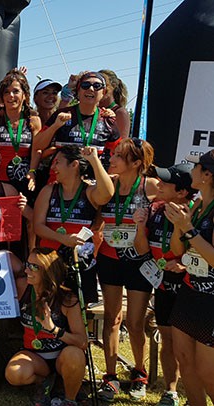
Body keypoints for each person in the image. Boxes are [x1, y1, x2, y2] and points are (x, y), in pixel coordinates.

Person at [96, 138, 157, 402]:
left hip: (138, 261)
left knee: (134, 322)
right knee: (112, 319)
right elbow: (97, 216)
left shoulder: (150, 186)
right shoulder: (107, 184)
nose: (112, 158)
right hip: (109, 258)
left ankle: (139, 374)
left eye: (119, 156)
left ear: (135, 163)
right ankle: (110, 378)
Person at [132, 163, 194, 406]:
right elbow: (142, 249)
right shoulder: (155, 209)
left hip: (188, 285)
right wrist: (139, 226)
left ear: (181, 192)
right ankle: (171, 391)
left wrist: (185, 264)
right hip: (163, 282)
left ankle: (192, 392)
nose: (158, 184)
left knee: (187, 344)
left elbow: (194, 252)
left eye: (166, 183)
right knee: (167, 338)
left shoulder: (193, 213)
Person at [5, 248, 88, 406]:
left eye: (34, 267)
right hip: (34, 356)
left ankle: (69, 399)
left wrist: (53, 329)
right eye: (27, 264)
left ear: (48, 271)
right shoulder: (22, 286)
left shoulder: (67, 299)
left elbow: (82, 342)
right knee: (13, 373)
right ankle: (46, 382)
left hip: (61, 356)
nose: (27, 270)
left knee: (75, 354)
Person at [33, 145, 114, 304]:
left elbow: (107, 194)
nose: (53, 167)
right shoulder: (49, 190)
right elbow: (38, 226)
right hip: (51, 261)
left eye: (58, 162)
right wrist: (62, 238)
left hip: (81, 260)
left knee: (80, 307)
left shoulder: (89, 191)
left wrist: (94, 160)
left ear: (74, 165)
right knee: (51, 306)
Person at [165, 150, 214, 406]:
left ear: (207, 175)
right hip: (189, 291)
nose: (191, 170)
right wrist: (178, 226)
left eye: (196, 167)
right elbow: (178, 251)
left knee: (208, 372)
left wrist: (189, 228)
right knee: (185, 360)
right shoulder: (196, 204)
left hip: (211, 300)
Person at [34, 72, 121, 180]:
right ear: (78, 90)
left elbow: (118, 154)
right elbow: (37, 145)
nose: (91, 89)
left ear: (103, 92)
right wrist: (55, 126)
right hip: (59, 183)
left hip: (92, 185)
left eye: (97, 86)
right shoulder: (62, 115)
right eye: (85, 85)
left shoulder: (108, 120)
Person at [0, 70, 42, 194]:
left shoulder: (33, 120)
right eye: (6, 92)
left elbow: (36, 150)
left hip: (24, 180)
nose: (11, 96)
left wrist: (32, 171)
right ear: (2, 97)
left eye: (16, 91)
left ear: (25, 95)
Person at [98, 69, 130, 139]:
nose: (99, 88)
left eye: (103, 84)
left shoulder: (120, 112)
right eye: (97, 85)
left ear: (113, 86)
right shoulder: (93, 110)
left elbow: (122, 145)